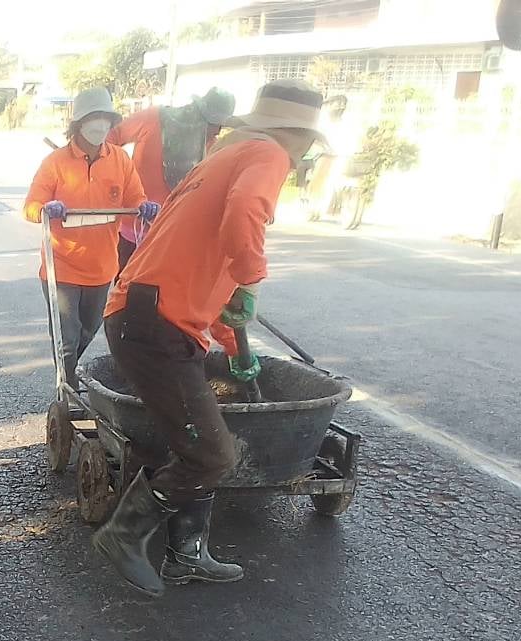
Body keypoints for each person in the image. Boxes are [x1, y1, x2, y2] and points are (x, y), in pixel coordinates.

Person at [92, 80, 327, 597]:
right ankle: (124, 533)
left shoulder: (222, 159)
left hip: (147, 315)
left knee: (195, 441)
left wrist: (232, 341)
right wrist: (251, 278)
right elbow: (244, 214)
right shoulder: (268, 154)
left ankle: (186, 555)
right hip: (154, 322)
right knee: (213, 455)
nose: (307, 153)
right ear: (297, 136)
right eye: (309, 141)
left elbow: (204, 265)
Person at [25, 88, 157, 393]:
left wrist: (144, 207)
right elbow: (30, 206)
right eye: (94, 118)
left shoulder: (120, 160)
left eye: (105, 118)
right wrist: (46, 209)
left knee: (88, 330)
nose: (100, 125)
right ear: (79, 123)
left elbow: (135, 198)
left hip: (101, 268)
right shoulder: (55, 163)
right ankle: (67, 389)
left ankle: (68, 375)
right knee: (66, 338)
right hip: (62, 268)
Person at [107, 88, 236, 270]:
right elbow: (109, 139)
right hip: (134, 231)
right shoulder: (154, 118)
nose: (218, 131)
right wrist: (116, 180)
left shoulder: (212, 147)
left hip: (174, 238)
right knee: (125, 285)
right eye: (215, 124)